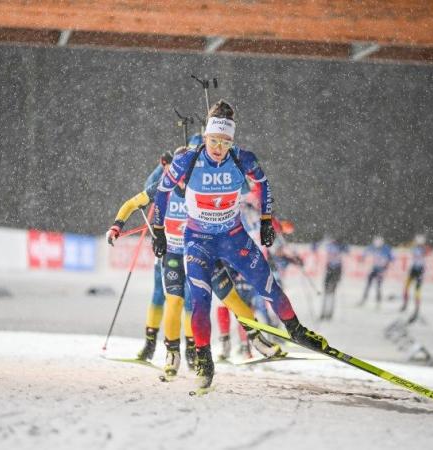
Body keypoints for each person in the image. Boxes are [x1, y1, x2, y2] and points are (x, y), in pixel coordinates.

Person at [151, 99, 324, 390]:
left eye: (225, 142)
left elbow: (264, 183)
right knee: (201, 302)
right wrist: (158, 229)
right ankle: (205, 361)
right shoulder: (188, 160)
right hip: (199, 242)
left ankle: (297, 331)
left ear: (232, 141)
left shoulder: (242, 158)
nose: (218, 148)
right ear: (205, 136)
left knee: (268, 286)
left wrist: (267, 220)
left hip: (234, 237)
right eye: (213, 140)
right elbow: (162, 190)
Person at [108, 144, 283, 377]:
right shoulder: (161, 188)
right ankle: (172, 354)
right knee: (174, 302)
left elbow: (235, 190)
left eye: (182, 172)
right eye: (175, 172)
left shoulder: (200, 182)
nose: (179, 177)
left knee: (230, 296)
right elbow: (131, 204)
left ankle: (257, 339)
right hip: (173, 255)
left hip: (203, 251)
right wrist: (116, 225)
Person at [106, 152, 172, 363]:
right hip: (163, 249)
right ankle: (149, 346)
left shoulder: (195, 180)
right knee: (158, 295)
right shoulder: (162, 179)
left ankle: (189, 352)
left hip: (186, 252)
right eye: (169, 169)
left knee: (186, 300)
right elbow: (147, 187)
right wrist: (160, 165)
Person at [402, 233, 431, 323]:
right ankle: (405, 304)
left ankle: (416, 308)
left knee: (417, 290)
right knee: (406, 287)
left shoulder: (423, 248)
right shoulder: (414, 246)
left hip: (419, 270)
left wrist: (422, 246)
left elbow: (429, 251)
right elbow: (405, 246)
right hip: (413, 269)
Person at [317, 236, 348, 321]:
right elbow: (315, 247)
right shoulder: (329, 245)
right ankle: (323, 312)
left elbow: (347, 250)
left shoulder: (341, 246)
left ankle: (329, 313)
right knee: (326, 292)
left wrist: (342, 244)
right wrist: (323, 241)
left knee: (332, 293)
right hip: (329, 269)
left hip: (337, 270)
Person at [358, 236, 394, 307]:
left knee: (378, 286)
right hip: (374, 269)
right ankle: (364, 299)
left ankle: (378, 302)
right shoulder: (373, 247)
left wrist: (387, 265)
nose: (377, 248)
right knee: (368, 284)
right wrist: (362, 258)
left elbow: (392, 258)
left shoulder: (386, 249)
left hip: (381, 270)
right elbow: (366, 251)